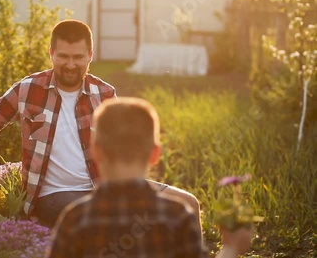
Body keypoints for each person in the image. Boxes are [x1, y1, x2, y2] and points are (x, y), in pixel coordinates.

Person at [0, 19, 200, 229]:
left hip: (107, 188)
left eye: (78, 57)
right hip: (53, 196)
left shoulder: (105, 94)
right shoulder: (28, 89)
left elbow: (126, 146)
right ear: (51, 53)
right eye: (63, 56)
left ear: (90, 55)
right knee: (110, 218)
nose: (70, 64)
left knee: (188, 203)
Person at [46, 97, 254, 258]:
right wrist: (230, 248)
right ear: (155, 154)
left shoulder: (75, 219)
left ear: (96, 152)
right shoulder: (177, 216)